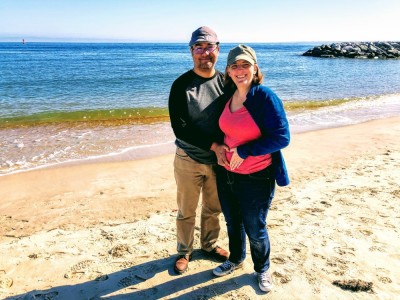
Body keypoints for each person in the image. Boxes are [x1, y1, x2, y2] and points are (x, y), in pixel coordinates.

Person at [212, 44, 290, 293]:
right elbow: (225, 130)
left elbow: (281, 138)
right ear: (228, 71)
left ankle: (262, 269)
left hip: (257, 176)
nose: (239, 70)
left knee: (255, 227)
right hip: (227, 175)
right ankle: (235, 259)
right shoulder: (228, 95)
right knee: (233, 222)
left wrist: (243, 151)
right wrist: (219, 149)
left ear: (255, 68)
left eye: (245, 64)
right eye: (234, 66)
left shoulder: (264, 96)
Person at [168, 26, 231, 274]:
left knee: (213, 208)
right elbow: (180, 127)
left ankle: (209, 245)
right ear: (191, 51)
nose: (205, 53)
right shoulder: (181, 85)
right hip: (188, 157)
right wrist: (214, 146)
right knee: (186, 210)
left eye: (209, 47)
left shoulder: (227, 82)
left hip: (219, 161)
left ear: (218, 49)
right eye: (199, 47)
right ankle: (184, 251)